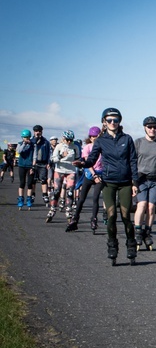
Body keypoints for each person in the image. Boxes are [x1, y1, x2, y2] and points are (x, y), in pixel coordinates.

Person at [74, 108, 139, 265]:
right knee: (111, 216)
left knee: (125, 217)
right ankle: (112, 246)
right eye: (109, 120)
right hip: (108, 182)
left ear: (119, 122)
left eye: (115, 120)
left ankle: (131, 246)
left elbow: (133, 161)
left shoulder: (127, 139)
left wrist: (135, 182)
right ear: (104, 122)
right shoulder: (101, 141)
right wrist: (82, 163)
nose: (112, 123)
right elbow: (92, 159)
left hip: (125, 183)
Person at [133, 116, 156, 250]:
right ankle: (137, 231)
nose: (152, 129)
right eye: (150, 127)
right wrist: (133, 182)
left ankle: (147, 233)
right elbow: (132, 163)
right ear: (145, 128)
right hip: (141, 179)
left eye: (155, 127)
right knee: (141, 205)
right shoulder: (138, 143)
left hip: (154, 180)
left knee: (151, 207)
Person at [66, 126, 104, 232]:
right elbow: (88, 163)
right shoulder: (88, 147)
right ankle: (75, 219)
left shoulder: (103, 146)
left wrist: (100, 175)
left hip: (100, 174)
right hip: (89, 174)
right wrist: (94, 175)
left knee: (95, 198)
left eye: (96, 136)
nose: (94, 138)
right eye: (92, 136)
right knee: (82, 198)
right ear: (90, 137)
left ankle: (94, 219)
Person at [47, 130, 80, 224]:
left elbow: (78, 158)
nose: (69, 142)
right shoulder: (59, 146)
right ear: (63, 139)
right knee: (57, 191)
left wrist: (78, 163)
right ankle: (52, 209)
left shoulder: (75, 147)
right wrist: (61, 155)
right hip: (59, 170)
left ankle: (69, 210)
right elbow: (53, 159)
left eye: (71, 140)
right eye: (67, 140)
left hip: (71, 171)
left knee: (70, 191)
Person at [30, 124, 51, 207]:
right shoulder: (31, 141)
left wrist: (49, 162)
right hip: (34, 163)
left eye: (39, 131)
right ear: (34, 132)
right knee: (33, 180)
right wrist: (35, 139)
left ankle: (45, 195)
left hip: (43, 163)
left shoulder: (45, 142)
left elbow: (49, 153)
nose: (38, 132)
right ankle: (32, 194)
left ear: (42, 132)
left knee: (43, 180)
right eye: (36, 131)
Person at [15, 129, 35, 209]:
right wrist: (23, 144)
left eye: (27, 137)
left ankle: (29, 199)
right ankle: (20, 199)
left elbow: (35, 156)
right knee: (22, 183)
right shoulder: (20, 144)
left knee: (29, 183)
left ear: (30, 137)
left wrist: (33, 166)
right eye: (24, 137)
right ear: (22, 137)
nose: (26, 139)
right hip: (21, 165)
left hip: (30, 166)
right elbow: (18, 151)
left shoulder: (33, 145)